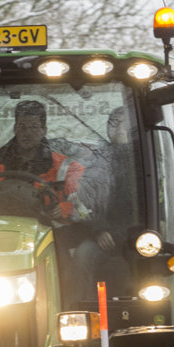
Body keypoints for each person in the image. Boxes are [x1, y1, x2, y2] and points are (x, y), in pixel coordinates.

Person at [67, 106, 138, 302]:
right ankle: (79, 306)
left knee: (144, 264)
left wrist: (124, 234)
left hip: (136, 237)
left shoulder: (146, 160)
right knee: (83, 255)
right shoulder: (97, 160)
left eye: (121, 124)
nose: (116, 129)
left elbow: (154, 203)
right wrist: (98, 229)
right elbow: (84, 203)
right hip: (101, 234)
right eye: (112, 124)